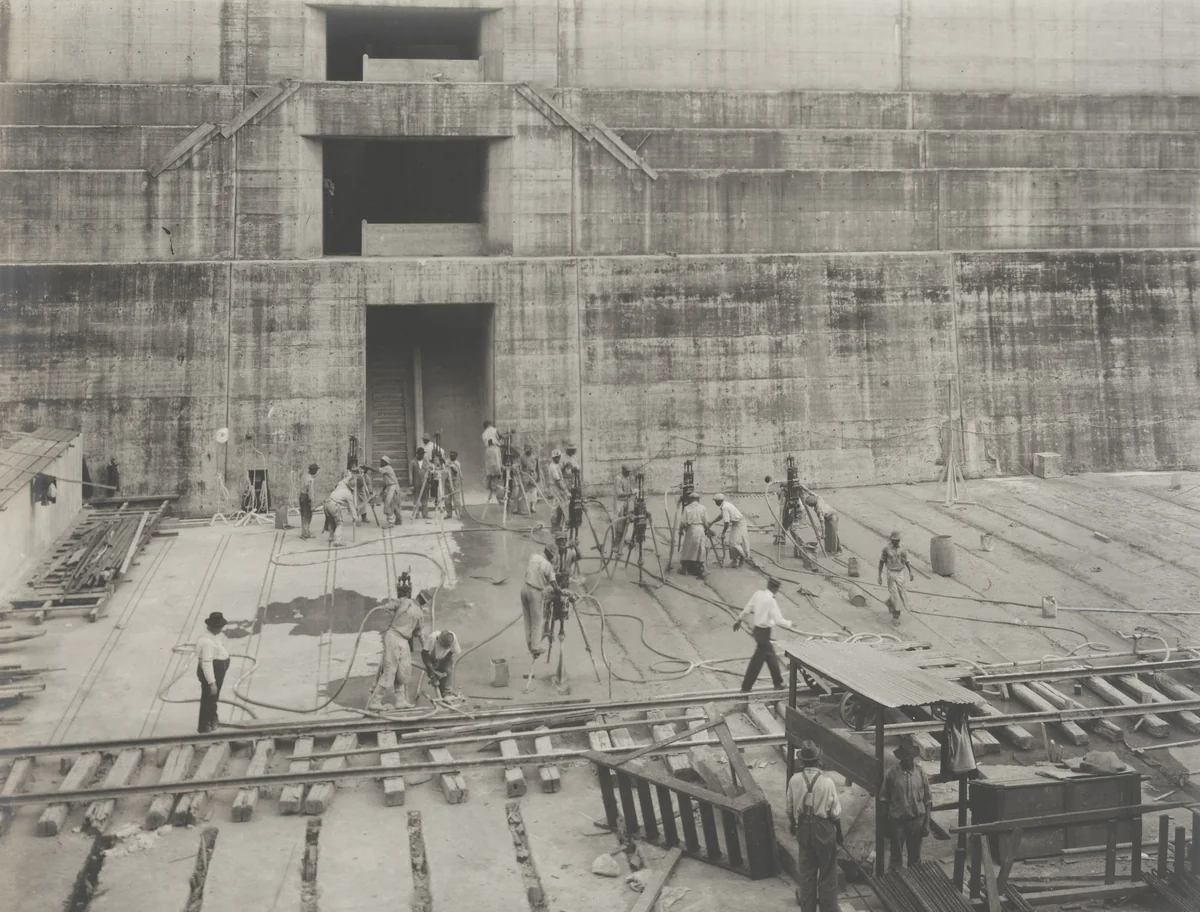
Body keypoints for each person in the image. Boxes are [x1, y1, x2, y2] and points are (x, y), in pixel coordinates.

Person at [787, 741, 843, 912]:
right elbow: (835, 813)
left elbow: (789, 808)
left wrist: (793, 824)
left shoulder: (794, 780)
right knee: (827, 875)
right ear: (818, 761)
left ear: (803, 762)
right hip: (823, 829)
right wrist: (839, 834)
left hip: (804, 828)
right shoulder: (827, 782)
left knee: (807, 875)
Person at [367, 578, 426, 711]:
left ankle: (400, 701)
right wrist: (425, 648)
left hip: (402, 639)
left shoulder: (406, 603)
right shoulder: (409, 604)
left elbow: (391, 605)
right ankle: (375, 701)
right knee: (390, 669)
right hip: (394, 636)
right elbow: (420, 634)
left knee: (402, 670)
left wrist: (389, 608)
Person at [734, 578, 794, 691]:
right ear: (776, 588)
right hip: (764, 633)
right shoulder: (771, 600)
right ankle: (746, 687)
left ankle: (778, 683)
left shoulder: (758, 594)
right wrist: (790, 624)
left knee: (771, 657)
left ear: (768, 584)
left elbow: (747, 608)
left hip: (757, 631)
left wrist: (739, 620)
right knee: (757, 662)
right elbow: (778, 620)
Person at [882, 737, 932, 870]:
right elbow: (884, 799)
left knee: (915, 859)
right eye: (905, 757)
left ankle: (913, 884)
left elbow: (928, 801)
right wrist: (885, 823)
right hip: (897, 821)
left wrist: (926, 823)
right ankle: (895, 885)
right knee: (896, 858)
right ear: (901, 758)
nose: (908, 760)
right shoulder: (891, 774)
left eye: (910, 757)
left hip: (916, 821)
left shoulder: (921, 773)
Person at [196, 611, 230, 733]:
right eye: (220, 627)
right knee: (209, 698)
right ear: (213, 627)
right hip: (213, 671)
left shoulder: (212, 635)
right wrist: (212, 682)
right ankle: (204, 727)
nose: (221, 629)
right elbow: (206, 663)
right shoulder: (207, 642)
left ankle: (212, 720)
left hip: (218, 668)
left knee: (212, 698)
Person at [521, 547, 556, 659]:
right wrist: (560, 591)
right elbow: (554, 584)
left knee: (528, 620)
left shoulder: (534, 556)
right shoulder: (548, 565)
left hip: (524, 589)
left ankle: (530, 644)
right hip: (535, 592)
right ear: (551, 555)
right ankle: (535, 648)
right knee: (537, 621)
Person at [878, 530, 914, 626]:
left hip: (900, 573)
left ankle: (890, 603)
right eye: (895, 540)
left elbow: (906, 560)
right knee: (895, 595)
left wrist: (910, 572)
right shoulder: (886, 549)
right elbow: (881, 562)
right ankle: (896, 616)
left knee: (901, 593)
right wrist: (879, 576)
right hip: (891, 572)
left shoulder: (903, 548)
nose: (896, 542)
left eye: (898, 540)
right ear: (891, 540)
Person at [711, 493, 750, 568]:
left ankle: (743, 557)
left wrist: (723, 533)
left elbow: (726, 522)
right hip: (737, 523)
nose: (715, 503)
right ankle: (734, 561)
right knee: (732, 542)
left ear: (718, 501)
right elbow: (720, 516)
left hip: (739, 523)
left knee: (734, 543)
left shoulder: (724, 507)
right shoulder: (725, 504)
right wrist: (712, 522)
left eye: (715, 501)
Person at [422, 629, 462, 698]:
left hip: (445, 657)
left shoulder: (453, 638)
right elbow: (424, 654)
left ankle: (447, 693)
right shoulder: (433, 637)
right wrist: (431, 667)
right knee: (435, 676)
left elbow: (451, 652)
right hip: (432, 657)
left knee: (448, 671)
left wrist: (443, 660)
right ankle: (437, 686)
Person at [677, 492, 709, 578]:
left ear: (690, 500)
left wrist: (680, 530)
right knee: (700, 549)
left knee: (688, 548)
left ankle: (685, 569)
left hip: (691, 529)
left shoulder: (687, 508)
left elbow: (683, 522)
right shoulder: (703, 508)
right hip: (700, 529)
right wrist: (707, 529)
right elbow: (706, 522)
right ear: (698, 500)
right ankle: (701, 569)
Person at [323, 471, 357, 547]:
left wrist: (349, 474)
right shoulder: (348, 494)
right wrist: (355, 517)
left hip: (326, 503)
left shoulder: (341, 484)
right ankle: (337, 540)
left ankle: (330, 537)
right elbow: (352, 507)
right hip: (333, 505)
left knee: (331, 521)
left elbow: (345, 479)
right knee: (340, 523)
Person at [612, 465, 635, 549]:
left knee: (626, 520)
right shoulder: (618, 479)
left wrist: (632, 491)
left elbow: (627, 489)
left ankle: (622, 539)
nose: (629, 473)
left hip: (625, 502)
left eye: (629, 472)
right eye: (627, 471)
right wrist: (630, 494)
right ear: (622, 470)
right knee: (619, 522)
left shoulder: (626, 477)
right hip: (619, 502)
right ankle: (617, 542)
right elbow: (619, 493)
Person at [547, 449, 569, 531]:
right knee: (555, 507)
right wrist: (566, 491)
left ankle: (557, 525)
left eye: (558, 457)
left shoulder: (555, 465)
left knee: (559, 506)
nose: (557, 459)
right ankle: (554, 527)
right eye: (555, 458)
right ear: (553, 458)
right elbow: (558, 480)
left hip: (556, 488)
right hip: (555, 488)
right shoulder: (553, 467)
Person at [378, 455, 403, 527]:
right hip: (392, 486)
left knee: (388, 503)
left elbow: (377, 470)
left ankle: (391, 522)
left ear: (385, 462)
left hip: (393, 487)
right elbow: (387, 482)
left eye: (382, 462)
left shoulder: (387, 468)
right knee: (395, 504)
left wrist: (368, 468)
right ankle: (398, 520)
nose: (380, 463)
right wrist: (383, 490)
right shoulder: (387, 469)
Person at [518, 445, 540, 515]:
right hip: (525, 475)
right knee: (524, 490)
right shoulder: (522, 457)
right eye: (526, 451)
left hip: (533, 474)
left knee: (533, 490)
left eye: (528, 450)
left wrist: (539, 476)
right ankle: (523, 506)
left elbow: (538, 467)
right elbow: (520, 467)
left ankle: (533, 506)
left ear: (531, 449)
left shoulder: (535, 456)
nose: (527, 452)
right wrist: (521, 473)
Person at [299, 462, 318, 539]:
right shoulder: (310, 479)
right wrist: (312, 504)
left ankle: (305, 532)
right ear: (314, 471)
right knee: (307, 515)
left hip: (302, 497)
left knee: (303, 515)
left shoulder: (305, 476)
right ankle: (306, 534)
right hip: (306, 498)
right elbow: (310, 492)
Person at [484, 437, 505, 504]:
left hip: (490, 470)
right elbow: (498, 460)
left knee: (491, 485)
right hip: (495, 469)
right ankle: (499, 498)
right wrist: (500, 469)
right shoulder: (496, 449)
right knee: (496, 484)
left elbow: (487, 461)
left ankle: (496, 497)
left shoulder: (487, 450)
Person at [410, 447, 428, 519]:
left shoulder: (426, 461)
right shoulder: (412, 462)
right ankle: (416, 514)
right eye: (420, 454)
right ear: (417, 454)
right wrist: (411, 484)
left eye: (422, 454)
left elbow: (430, 470)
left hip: (424, 483)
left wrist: (429, 482)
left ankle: (425, 514)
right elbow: (410, 474)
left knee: (425, 499)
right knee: (416, 499)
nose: (421, 456)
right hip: (416, 483)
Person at [445, 451, 463, 518]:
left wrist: (451, 466)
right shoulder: (447, 461)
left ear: (456, 456)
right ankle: (449, 513)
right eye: (450, 455)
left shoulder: (457, 463)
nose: (451, 457)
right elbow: (444, 467)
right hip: (447, 481)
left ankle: (459, 513)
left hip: (455, 481)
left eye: (453, 456)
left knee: (456, 498)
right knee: (447, 499)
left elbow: (456, 472)